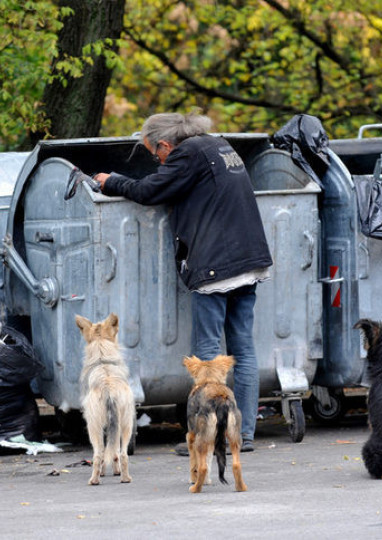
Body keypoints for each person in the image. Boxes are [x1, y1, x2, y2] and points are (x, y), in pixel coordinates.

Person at [93, 112, 272, 453]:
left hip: (216, 264)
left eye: (154, 154)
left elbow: (150, 190)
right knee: (243, 349)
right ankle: (243, 434)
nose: (158, 161)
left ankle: (209, 436)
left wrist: (110, 180)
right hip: (250, 259)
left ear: (164, 144)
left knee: (206, 352)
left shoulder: (187, 154)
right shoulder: (219, 145)